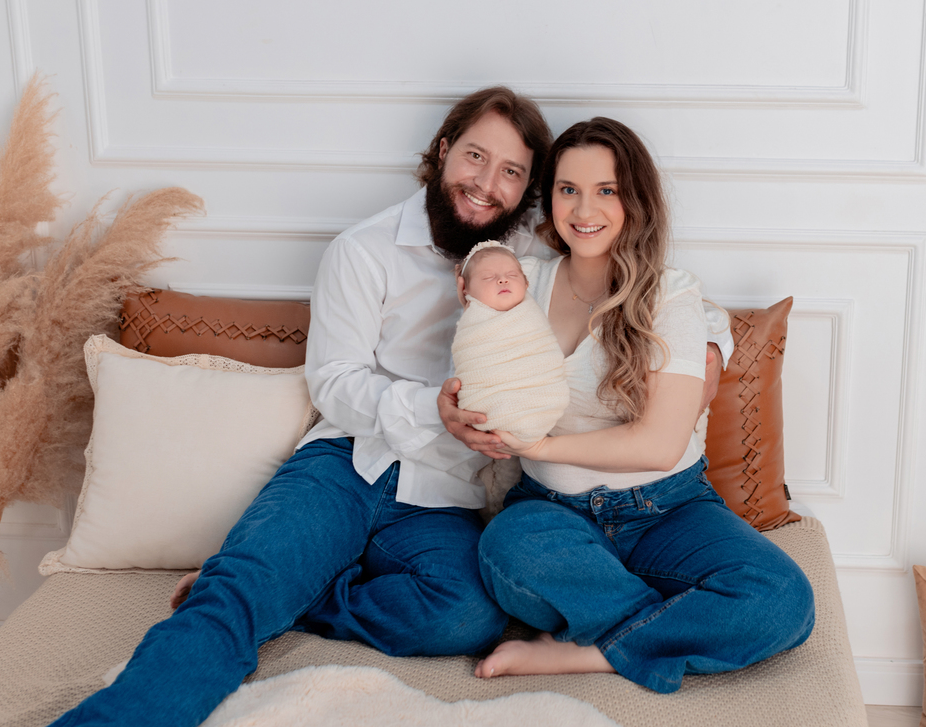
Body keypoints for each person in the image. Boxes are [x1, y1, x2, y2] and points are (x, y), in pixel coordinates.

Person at [50, 88, 730, 727]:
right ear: (443, 151)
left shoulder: (536, 252)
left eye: (512, 172)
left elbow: (661, 292)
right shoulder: (362, 250)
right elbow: (334, 383)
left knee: (465, 615)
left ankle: (308, 595)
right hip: (346, 467)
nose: (486, 183)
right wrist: (435, 409)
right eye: (475, 156)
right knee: (234, 598)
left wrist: (714, 349)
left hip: (445, 498)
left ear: (529, 190)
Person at [472, 118, 816, 694]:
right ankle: (668, 626)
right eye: (568, 189)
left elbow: (659, 445)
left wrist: (539, 445)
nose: (585, 209)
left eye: (606, 190)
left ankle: (590, 652)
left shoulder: (669, 293)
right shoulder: (518, 284)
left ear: (635, 200)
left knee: (783, 602)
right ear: (550, 197)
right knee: (504, 549)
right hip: (551, 513)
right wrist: (463, 408)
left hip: (667, 508)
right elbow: (479, 372)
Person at [451, 240, 570, 518]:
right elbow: (472, 362)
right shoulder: (473, 324)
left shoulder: (531, 313)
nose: (502, 279)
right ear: (464, 289)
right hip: (490, 410)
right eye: (488, 277)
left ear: (526, 283)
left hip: (543, 404)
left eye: (512, 275)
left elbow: (542, 353)